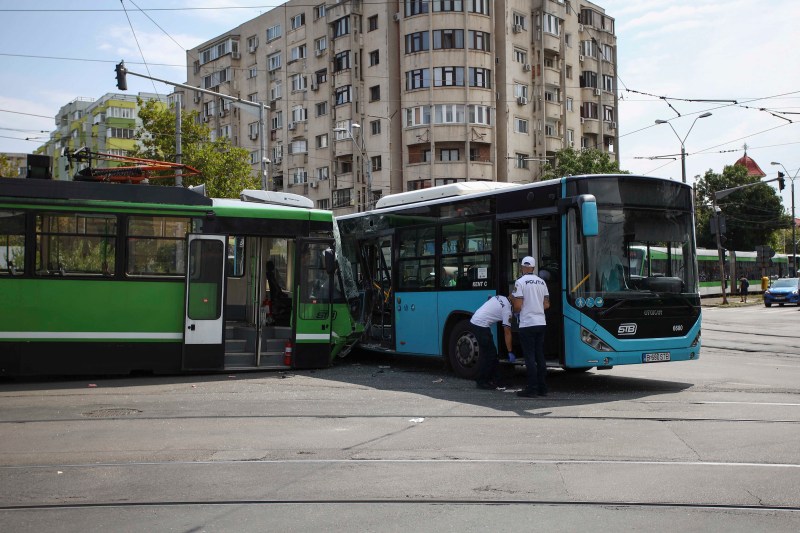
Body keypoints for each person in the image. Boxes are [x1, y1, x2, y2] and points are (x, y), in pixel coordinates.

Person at [512, 256, 550, 398]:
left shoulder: (520, 282)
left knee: (529, 356)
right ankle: (542, 387)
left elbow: (517, 305)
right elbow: (546, 304)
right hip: (541, 322)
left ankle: (532, 388)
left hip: (527, 323)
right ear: (533, 268)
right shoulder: (542, 282)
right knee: (539, 355)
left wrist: (516, 313)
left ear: (522, 267)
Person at [470, 293, 515, 390]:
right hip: (481, 325)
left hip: (476, 320)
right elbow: (507, 332)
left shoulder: (499, 297)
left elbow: (489, 300)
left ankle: (498, 380)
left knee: (492, 354)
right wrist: (510, 351)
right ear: (514, 301)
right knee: (490, 355)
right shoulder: (507, 310)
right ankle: (481, 381)